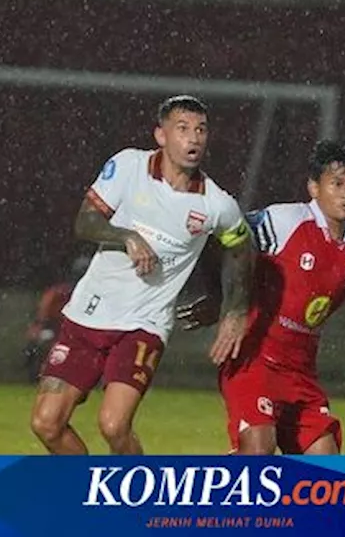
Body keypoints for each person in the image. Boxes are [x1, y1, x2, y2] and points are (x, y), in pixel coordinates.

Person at [28, 95, 255, 455]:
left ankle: (136, 503)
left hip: (143, 325)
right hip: (88, 314)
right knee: (46, 423)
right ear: (161, 135)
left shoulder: (216, 204)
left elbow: (241, 248)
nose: (193, 138)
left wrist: (233, 308)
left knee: (114, 425)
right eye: (182, 129)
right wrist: (127, 237)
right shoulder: (128, 166)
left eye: (201, 130)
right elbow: (85, 221)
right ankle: (91, 494)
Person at [187, 140, 345, 455]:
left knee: (326, 465)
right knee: (258, 450)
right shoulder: (283, 221)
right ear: (314, 187)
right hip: (252, 361)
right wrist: (222, 299)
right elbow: (226, 240)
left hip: (300, 375)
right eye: (337, 184)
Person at [22, 254, 90, 383]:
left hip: (72, 329)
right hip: (53, 327)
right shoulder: (58, 292)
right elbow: (43, 313)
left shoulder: (87, 295)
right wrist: (39, 327)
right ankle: (34, 374)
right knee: (36, 344)